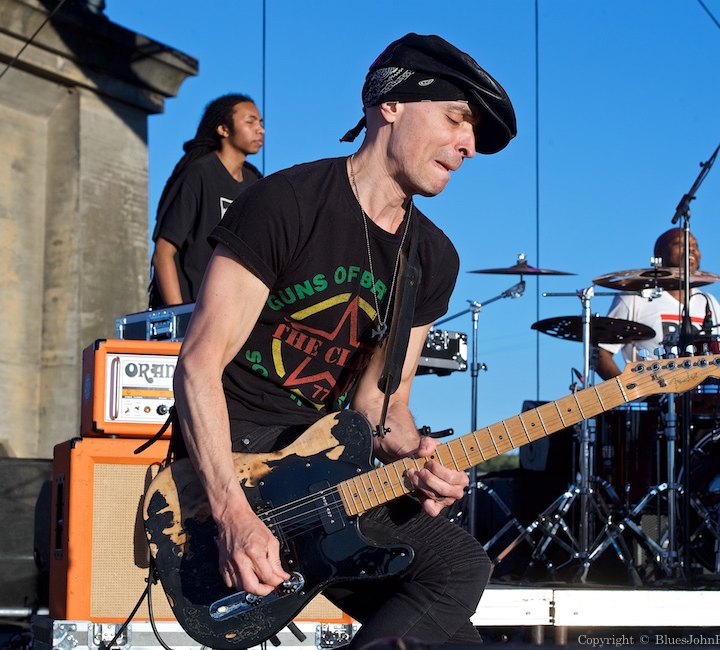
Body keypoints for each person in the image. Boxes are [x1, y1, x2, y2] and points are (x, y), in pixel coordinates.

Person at [172, 33, 516, 648]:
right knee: (455, 596)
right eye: (457, 119)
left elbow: (380, 409)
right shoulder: (284, 203)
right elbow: (197, 366)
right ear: (392, 104)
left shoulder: (432, 258)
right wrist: (231, 513)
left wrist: (420, 458)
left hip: (332, 472)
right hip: (238, 465)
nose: (468, 145)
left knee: (459, 583)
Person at [594, 228, 720, 380]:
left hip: (701, 401)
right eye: (679, 243)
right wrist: (627, 394)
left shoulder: (708, 301)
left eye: (695, 246)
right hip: (653, 401)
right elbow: (600, 354)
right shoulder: (635, 297)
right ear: (659, 253)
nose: (691, 249)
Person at [148, 94, 265, 308]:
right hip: (194, 313)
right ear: (223, 129)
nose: (260, 129)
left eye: (260, 122)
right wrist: (180, 316)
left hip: (235, 315)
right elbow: (163, 252)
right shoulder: (197, 174)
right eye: (250, 121)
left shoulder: (255, 183)